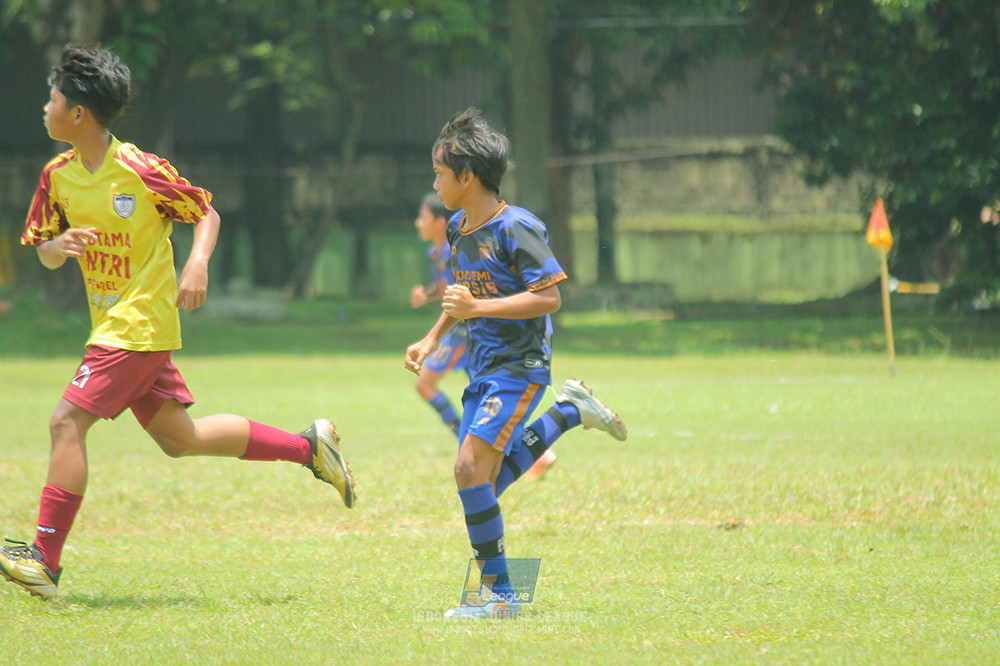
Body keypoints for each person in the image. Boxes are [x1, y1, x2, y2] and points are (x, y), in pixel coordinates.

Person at [0, 45, 356, 600]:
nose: (43, 109)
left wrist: (196, 262)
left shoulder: (141, 169)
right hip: (117, 326)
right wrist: (59, 246)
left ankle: (44, 561)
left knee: (65, 423)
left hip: (136, 326)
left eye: (52, 99)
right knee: (178, 438)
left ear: (79, 114)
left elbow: (205, 212)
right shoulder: (56, 178)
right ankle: (310, 448)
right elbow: (43, 251)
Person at [405, 108, 627, 619]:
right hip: (482, 367)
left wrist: (478, 309)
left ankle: (502, 600)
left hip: (520, 366)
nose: (434, 183)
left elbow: (549, 299)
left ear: (467, 177)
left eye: (439, 173)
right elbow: (462, 294)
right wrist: (431, 336)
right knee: (481, 481)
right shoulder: (459, 228)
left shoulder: (518, 227)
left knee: (467, 471)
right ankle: (568, 413)